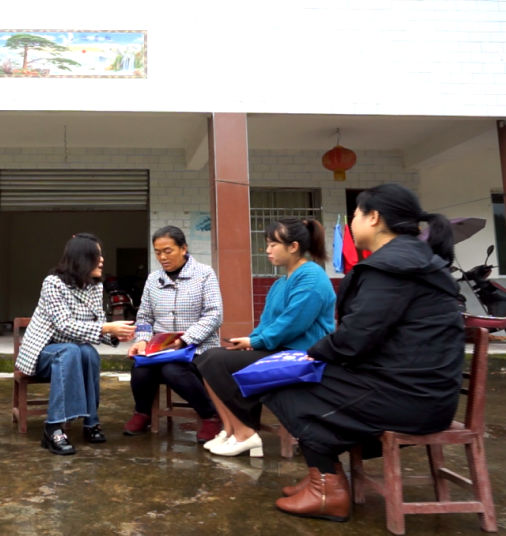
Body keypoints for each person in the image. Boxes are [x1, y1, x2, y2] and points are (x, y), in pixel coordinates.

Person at [264, 184, 464, 522]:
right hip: (421, 392)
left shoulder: (394, 267)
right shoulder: (411, 260)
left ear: (374, 218)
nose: (351, 222)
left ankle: (327, 488)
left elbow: (355, 338)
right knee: (297, 378)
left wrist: (311, 355)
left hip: (408, 398)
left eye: (355, 214)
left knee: (281, 382)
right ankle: (323, 476)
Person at [195, 218, 335, 458]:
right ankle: (230, 430)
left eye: (273, 244)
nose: (267, 250)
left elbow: (293, 322)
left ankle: (245, 434)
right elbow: (268, 323)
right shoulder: (281, 283)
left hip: (303, 358)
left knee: (216, 361)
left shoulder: (312, 276)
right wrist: (251, 340)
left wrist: (255, 342)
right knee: (205, 358)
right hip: (280, 351)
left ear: (293, 247)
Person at [15, 233, 136, 455]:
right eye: (96, 255)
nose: (102, 260)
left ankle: (91, 422)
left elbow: (98, 324)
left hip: (72, 352)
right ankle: (53, 428)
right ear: (82, 258)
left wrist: (116, 334)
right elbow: (64, 326)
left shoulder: (95, 287)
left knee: (88, 353)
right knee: (70, 351)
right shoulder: (53, 283)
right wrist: (107, 328)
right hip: (43, 353)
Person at [122, 226, 224, 444]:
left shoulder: (204, 274)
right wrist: (142, 340)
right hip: (161, 349)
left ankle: (210, 416)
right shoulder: (153, 279)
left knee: (173, 371)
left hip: (198, 348)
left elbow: (214, 314)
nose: (162, 257)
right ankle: (142, 413)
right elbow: (145, 317)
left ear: (183, 248)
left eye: (168, 251)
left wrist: (185, 340)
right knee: (140, 369)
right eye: (158, 252)